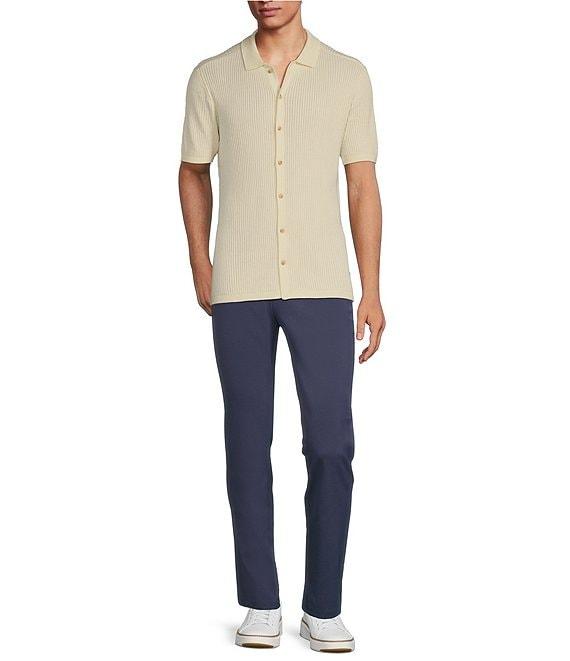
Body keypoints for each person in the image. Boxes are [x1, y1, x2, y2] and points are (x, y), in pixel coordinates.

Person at [179, 1, 384, 652]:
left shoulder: (347, 76)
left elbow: (362, 185)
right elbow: (192, 170)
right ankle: (260, 601)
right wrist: (201, 262)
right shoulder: (213, 76)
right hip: (239, 287)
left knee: (330, 444)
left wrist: (372, 288)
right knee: (246, 443)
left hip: (323, 287)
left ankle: (323, 605)